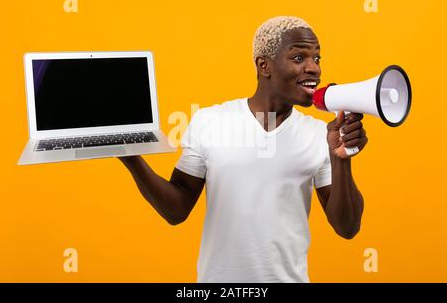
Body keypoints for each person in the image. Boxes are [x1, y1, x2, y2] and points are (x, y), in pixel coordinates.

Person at [119, 16, 368, 283]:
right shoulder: (209, 121)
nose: (314, 69)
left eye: (317, 59)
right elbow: (176, 210)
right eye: (299, 58)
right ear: (264, 65)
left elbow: (347, 227)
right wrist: (132, 159)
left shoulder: (320, 134)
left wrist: (341, 158)